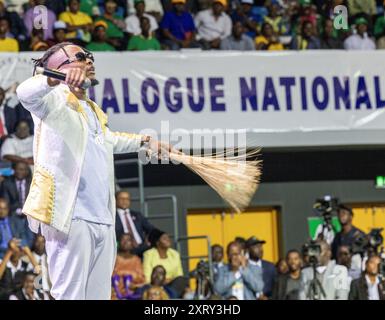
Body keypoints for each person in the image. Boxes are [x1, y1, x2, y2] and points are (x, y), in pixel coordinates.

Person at [15, 42, 171, 299]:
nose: (89, 60)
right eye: (80, 57)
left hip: (103, 218)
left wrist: (146, 141)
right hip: (71, 216)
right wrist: (53, 80)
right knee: (70, 295)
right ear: (60, 68)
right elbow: (24, 92)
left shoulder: (91, 109)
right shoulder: (52, 100)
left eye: (88, 55)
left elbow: (110, 140)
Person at [143, 229, 187, 297]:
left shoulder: (175, 254)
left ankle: (168, 296)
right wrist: (161, 281)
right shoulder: (148, 254)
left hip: (170, 286)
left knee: (181, 280)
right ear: (157, 242)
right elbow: (147, 276)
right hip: (155, 284)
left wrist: (169, 280)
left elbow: (179, 275)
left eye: (168, 237)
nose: (168, 239)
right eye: (164, 238)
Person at [115, 191, 154, 257]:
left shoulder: (137, 215)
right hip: (123, 249)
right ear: (115, 200)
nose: (125, 201)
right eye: (122, 198)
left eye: (127, 199)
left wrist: (149, 239)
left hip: (142, 247)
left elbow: (151, 229)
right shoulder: (113, 217)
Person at [112, 233, 145, 299]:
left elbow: (141, 278)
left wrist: (133, 285)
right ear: (118, 242)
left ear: (132, 243)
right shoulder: (114, 258)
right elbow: (111, 275)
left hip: (132, 291)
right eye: (123, 240)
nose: (125, 242)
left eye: (128, 240)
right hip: (115, 291)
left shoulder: (136, 259)